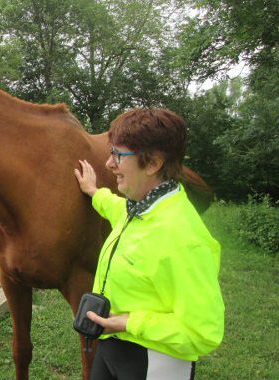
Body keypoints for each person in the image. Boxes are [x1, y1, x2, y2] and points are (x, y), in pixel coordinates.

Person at [74, 108, 224, 380]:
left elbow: (203, 332)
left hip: (152, 360)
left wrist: (128, 322)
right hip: (112, 346)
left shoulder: (183, 237)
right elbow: (116, 208)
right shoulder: (140, 207)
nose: (109, 163)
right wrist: (94, 192)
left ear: (153, 163)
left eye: (118, 155)